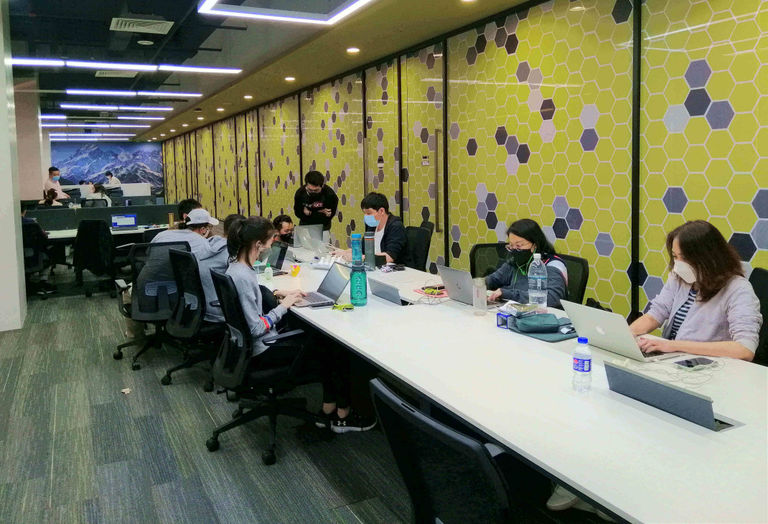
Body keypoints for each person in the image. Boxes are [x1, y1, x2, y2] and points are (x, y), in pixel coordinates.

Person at [226, 216, 376, 433]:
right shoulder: (244, 276)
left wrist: (278, 294)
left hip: (245, 347)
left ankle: (330, 406)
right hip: (263, 348)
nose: (271, 246)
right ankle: (341, 411)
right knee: (332, 346)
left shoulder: (236, 268)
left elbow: (252, 298)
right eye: (269, 241)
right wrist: (284, 306)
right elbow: (256, 328)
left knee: (322, 340)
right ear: (258, 244)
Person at [629, 220, 761, 361]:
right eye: (675, 256)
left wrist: (674, 346)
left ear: (709, 258)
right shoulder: (678, 278)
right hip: (672, 359)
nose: (678, 264)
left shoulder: (738, 289)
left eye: (685, 258)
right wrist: (627, 336)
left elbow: (744, 349)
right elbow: (655, 314)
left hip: (704, 366)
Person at [485, 219, 567, 308]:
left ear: (534, 246)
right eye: (511, 245)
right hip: (516, 311)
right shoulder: (515, 262)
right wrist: (479, 283)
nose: (514, 250)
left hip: (543, 314)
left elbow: (553, 298)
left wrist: (508, 294)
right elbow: (493, 279)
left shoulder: (553, 265)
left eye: (519, 245)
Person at [332, 192, 410, 265]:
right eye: (364, 213)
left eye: (369, 213)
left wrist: (360, 258)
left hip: (392, 270)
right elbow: (362, 249)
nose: (366, 216)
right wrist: (344, 253)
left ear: (381, 211)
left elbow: (389, 257)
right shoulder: (372, 225)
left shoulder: (396, 226)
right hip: (374, 267)